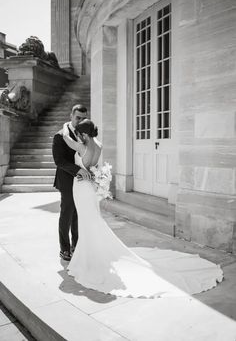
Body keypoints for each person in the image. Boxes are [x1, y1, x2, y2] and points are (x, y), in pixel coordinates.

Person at [61, 118, 223, 298]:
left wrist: (66, 126)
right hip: (90, 188)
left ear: (84, 134)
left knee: (86, 221)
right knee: (93, 220)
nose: (78, 136)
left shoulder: (81, 147)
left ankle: (88, 258)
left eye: (80, 134)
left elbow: (66, 140)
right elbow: (93, 166)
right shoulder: (98, 145)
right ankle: (90, 254)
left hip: (81, 187)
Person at [52, 104, 91, 261]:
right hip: (67, 180)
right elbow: (59, 161)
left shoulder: (85, 135)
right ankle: (64, 249)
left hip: (81, 182)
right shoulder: (60, 136)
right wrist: (78, 170)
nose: (80, 121)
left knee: (77, 214)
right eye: (78, 118)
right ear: (71, 116)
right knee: (67, 214)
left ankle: (76, 245)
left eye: (83, 118)